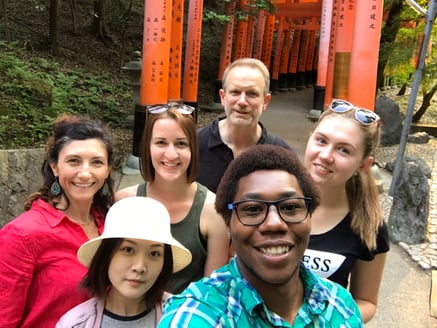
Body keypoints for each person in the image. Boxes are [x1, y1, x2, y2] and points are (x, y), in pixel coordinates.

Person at [159, 144, 364, 327]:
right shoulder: (198, 316)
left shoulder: (340, 307)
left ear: (310, 215)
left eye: (291, 207)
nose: (274, 223)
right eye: (253, 209)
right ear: (228, 223)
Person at [0, 115, 114, 327]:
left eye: (97, 162)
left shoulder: (112, 224)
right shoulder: (22, 235)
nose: (85, 173)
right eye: (74, 161)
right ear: (55, 167)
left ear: (107, 170)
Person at [115, 105, 229, 294]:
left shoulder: (213, 210)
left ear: (193, 149)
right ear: (147, 147)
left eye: (181, 144)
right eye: (160, 143)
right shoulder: (123, 202)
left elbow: (213, 291)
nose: (171, 154)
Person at [302, 99, 389, 323]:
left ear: (363, 164)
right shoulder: (271, 197)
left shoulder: (369, 224)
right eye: (321, 141)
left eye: (344, 150)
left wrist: (329, 321)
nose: (326, 155)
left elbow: (366, 301)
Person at [56, 196, 192, 327]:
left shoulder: (183, 317)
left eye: (154, 253)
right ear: (107, 255)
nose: (140, 267)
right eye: (128, 250)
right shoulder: (76, 324)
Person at [197, 57, 293, 193]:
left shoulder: (282, 155)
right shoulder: (194, 146)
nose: (242, 101)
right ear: (223, 97)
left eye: (252, 94)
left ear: (265, 101)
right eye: (235, 92)